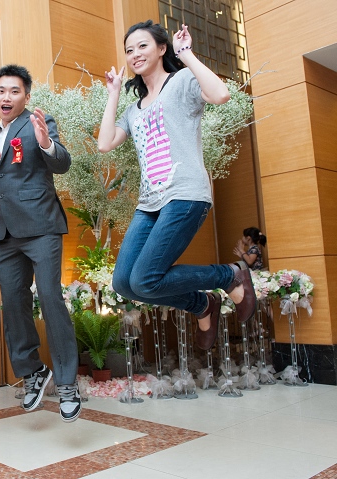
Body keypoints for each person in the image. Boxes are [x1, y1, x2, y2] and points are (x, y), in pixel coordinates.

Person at [96, 20, 257, 353]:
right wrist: (113, 94)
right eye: (129, 50)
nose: (135, 54)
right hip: (149, 203)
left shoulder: (181, 81)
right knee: (124, 283)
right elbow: (104, 143)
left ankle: (229, 276)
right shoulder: (133, 110)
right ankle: (203, 304)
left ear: (161, 48)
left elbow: (221, 94)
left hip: (185, 194)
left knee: (144, 278)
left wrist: (187, 55)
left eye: (142, 46)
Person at [0, 64, 81, 423]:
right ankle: (33, 371)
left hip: (41, 227)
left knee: (51, 298)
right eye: (1, 91)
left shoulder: (39, 122)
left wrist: (46, 144)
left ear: (25, 96)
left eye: (14, 91)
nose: (6, 97)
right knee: (12, 303)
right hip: (7, 233)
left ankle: (67, 383)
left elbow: (62, 163)